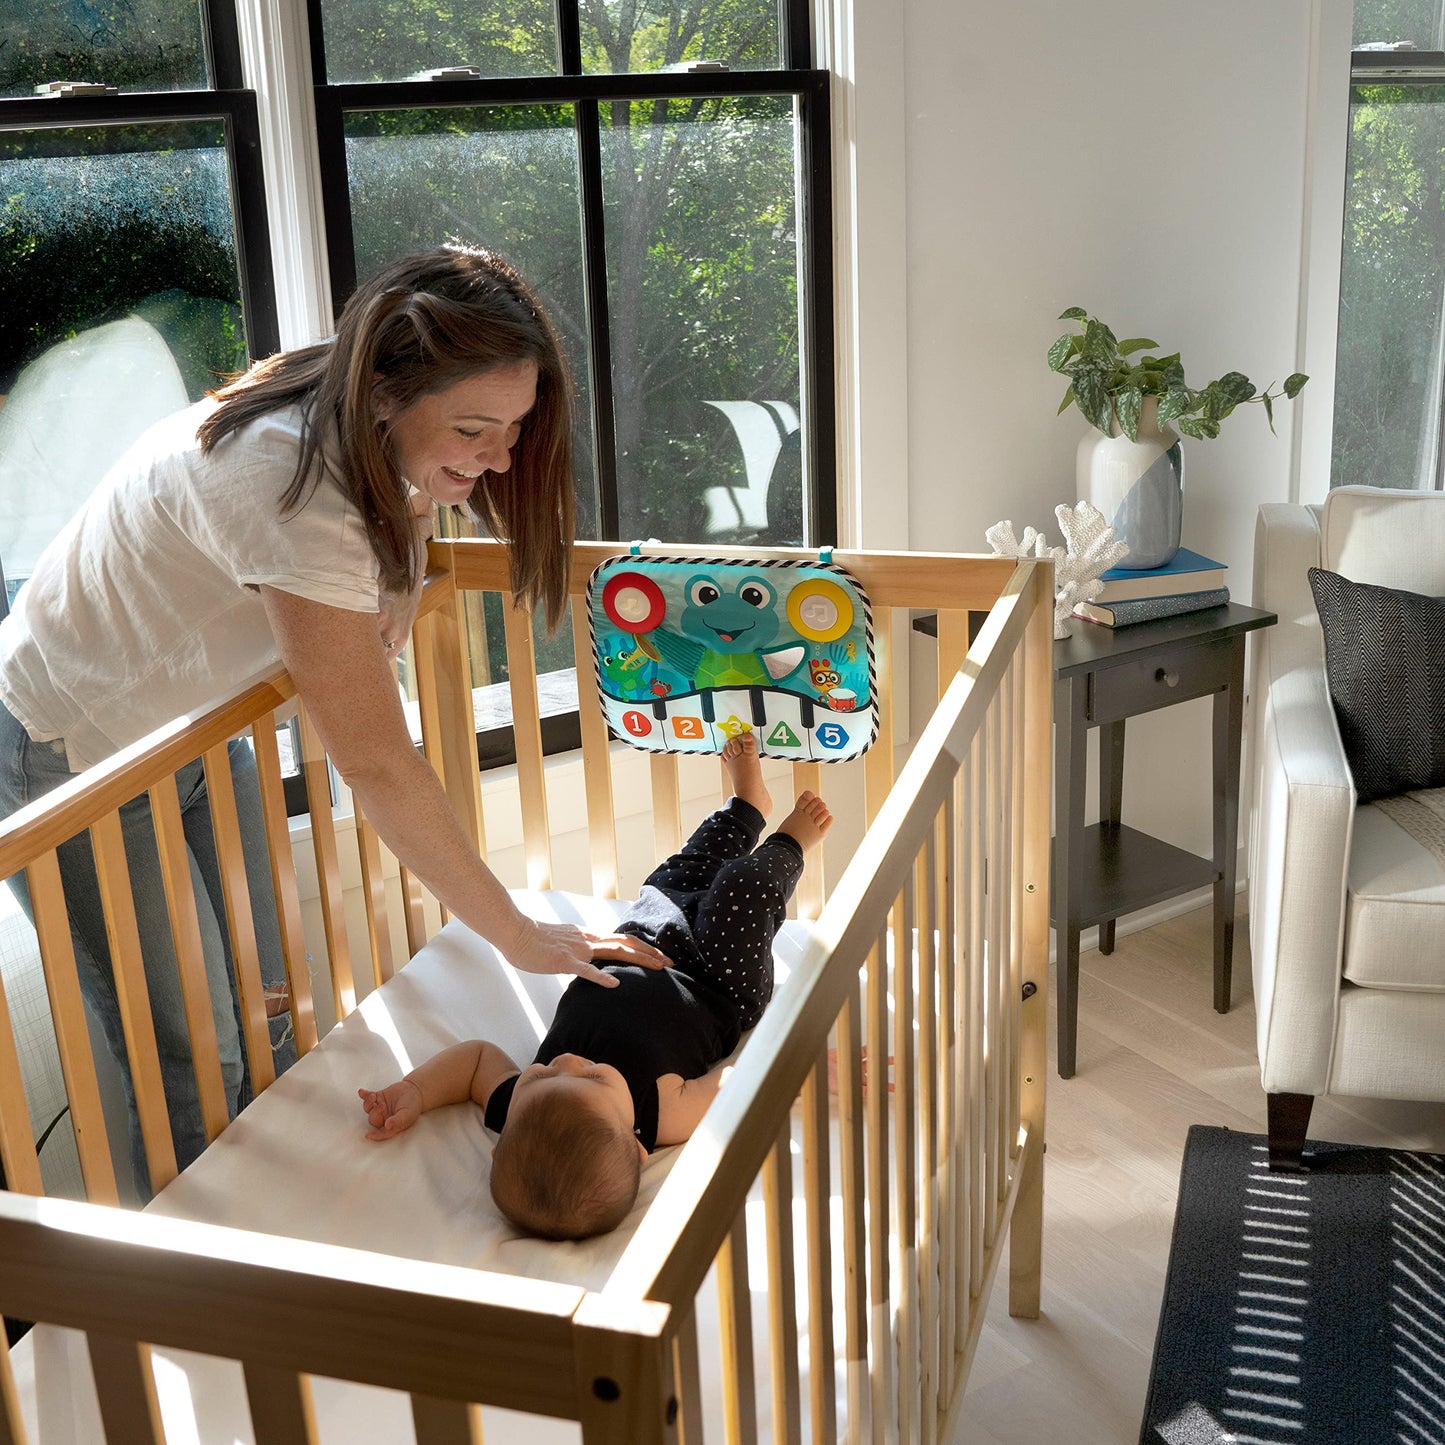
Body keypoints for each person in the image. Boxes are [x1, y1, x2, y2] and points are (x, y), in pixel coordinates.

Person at [0, 241, 667, 1198]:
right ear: (389, 389)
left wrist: (400, 567)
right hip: (68, 748)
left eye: (515, 430)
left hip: (187, 725)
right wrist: (511, 932)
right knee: (191, 1045)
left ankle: (274, 1201)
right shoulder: (289, 479)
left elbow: (406, 499)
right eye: (478, 430)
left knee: (274, 997)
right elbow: (379, 764)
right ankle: (208, 1268)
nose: (501, 459)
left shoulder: (354, 397)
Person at [358, 733, 833, 1241]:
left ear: (504, 1136)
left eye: (540, 1076)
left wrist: (415, 1090)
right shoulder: (661, 1115)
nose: (566, 1063)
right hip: (718, 979)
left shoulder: (516, 1108)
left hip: (644, 935)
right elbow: (742, 1081)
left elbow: (475, 1060)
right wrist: (811, 1070)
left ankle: (745, 805)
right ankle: (791, 841)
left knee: (686, 868)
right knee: (741, 888)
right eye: (595, 1079)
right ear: (636, 1147)